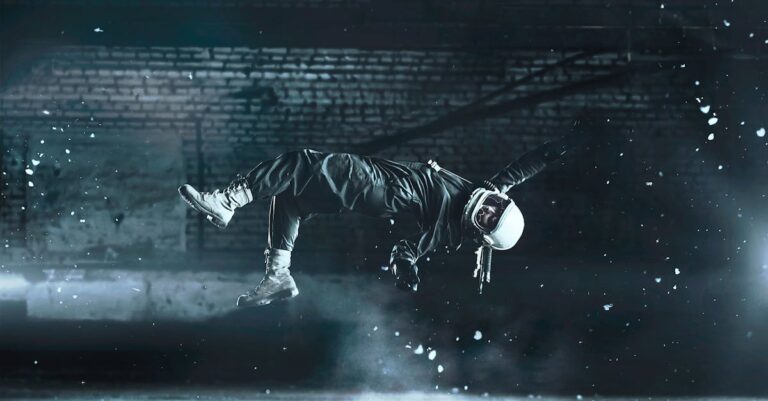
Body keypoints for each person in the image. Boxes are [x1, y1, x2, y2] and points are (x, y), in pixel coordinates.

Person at [178, 131, 590, 307]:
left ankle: (229, 200)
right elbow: (525, 166)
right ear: (499, 201)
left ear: (480, 233)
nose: (485, 209)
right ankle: (278, 275)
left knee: (300, 163)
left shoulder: (449, 228)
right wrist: (563, 147)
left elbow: (410, 248)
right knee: (292, 197)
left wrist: (405, 268)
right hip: (371, 186)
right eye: (492, 208)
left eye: (486, 219)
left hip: (375, 186)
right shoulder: (487, 190)